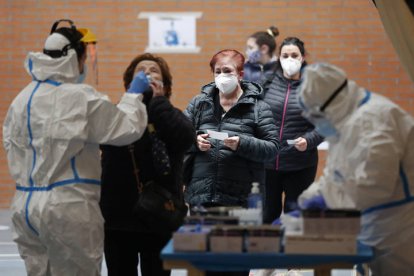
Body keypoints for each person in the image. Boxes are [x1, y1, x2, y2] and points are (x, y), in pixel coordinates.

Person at [2, 19, 148, 275]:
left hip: (24, 206)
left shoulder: (21, 99)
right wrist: (134, 95)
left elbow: (9, 143)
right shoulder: (81, 97)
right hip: (68, 206)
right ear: (75, 58)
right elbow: (126, 128)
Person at [297, 63, 414, 275]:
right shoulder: (345, 123)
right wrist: (305, 203)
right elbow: (334, 175)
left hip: (401, 232)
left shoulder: (374, 120)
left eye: (316, 115)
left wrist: (326, 203)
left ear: (332, 103)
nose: (315, 122)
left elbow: (374, 186)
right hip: (375, 228)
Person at [100, 53, 195, 276]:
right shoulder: (116, 114)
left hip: (161, 215)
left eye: (154, 70)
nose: (148, 73)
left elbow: (184, 139)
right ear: (130, 81)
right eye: (141, 70)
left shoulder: (172, 114)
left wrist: (159, 102)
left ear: (166, 83)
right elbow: (106, 141)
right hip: (119, 217)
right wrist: (132, 99)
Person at [184, 49, 279, 210]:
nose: (222, 76)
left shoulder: (259, 108)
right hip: (201, 196)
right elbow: (178, 139)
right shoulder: (199, 104)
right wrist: (194, 141)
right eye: (218, 72)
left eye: (227, 71)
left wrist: (241, 143)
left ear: (240, 74)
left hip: (241, 199)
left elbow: (272, 149)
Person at [261, 37, 324, 224]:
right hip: (267, 164)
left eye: (294, 55)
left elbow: (326, 124)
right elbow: (253, 117)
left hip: (300, 164)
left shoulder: (314, 87)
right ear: (279, 58)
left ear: (303, 57)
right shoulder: (267, 82)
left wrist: (309, 140)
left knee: (294, 218)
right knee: (266, 214)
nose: (289, 59)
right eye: (285, 55)